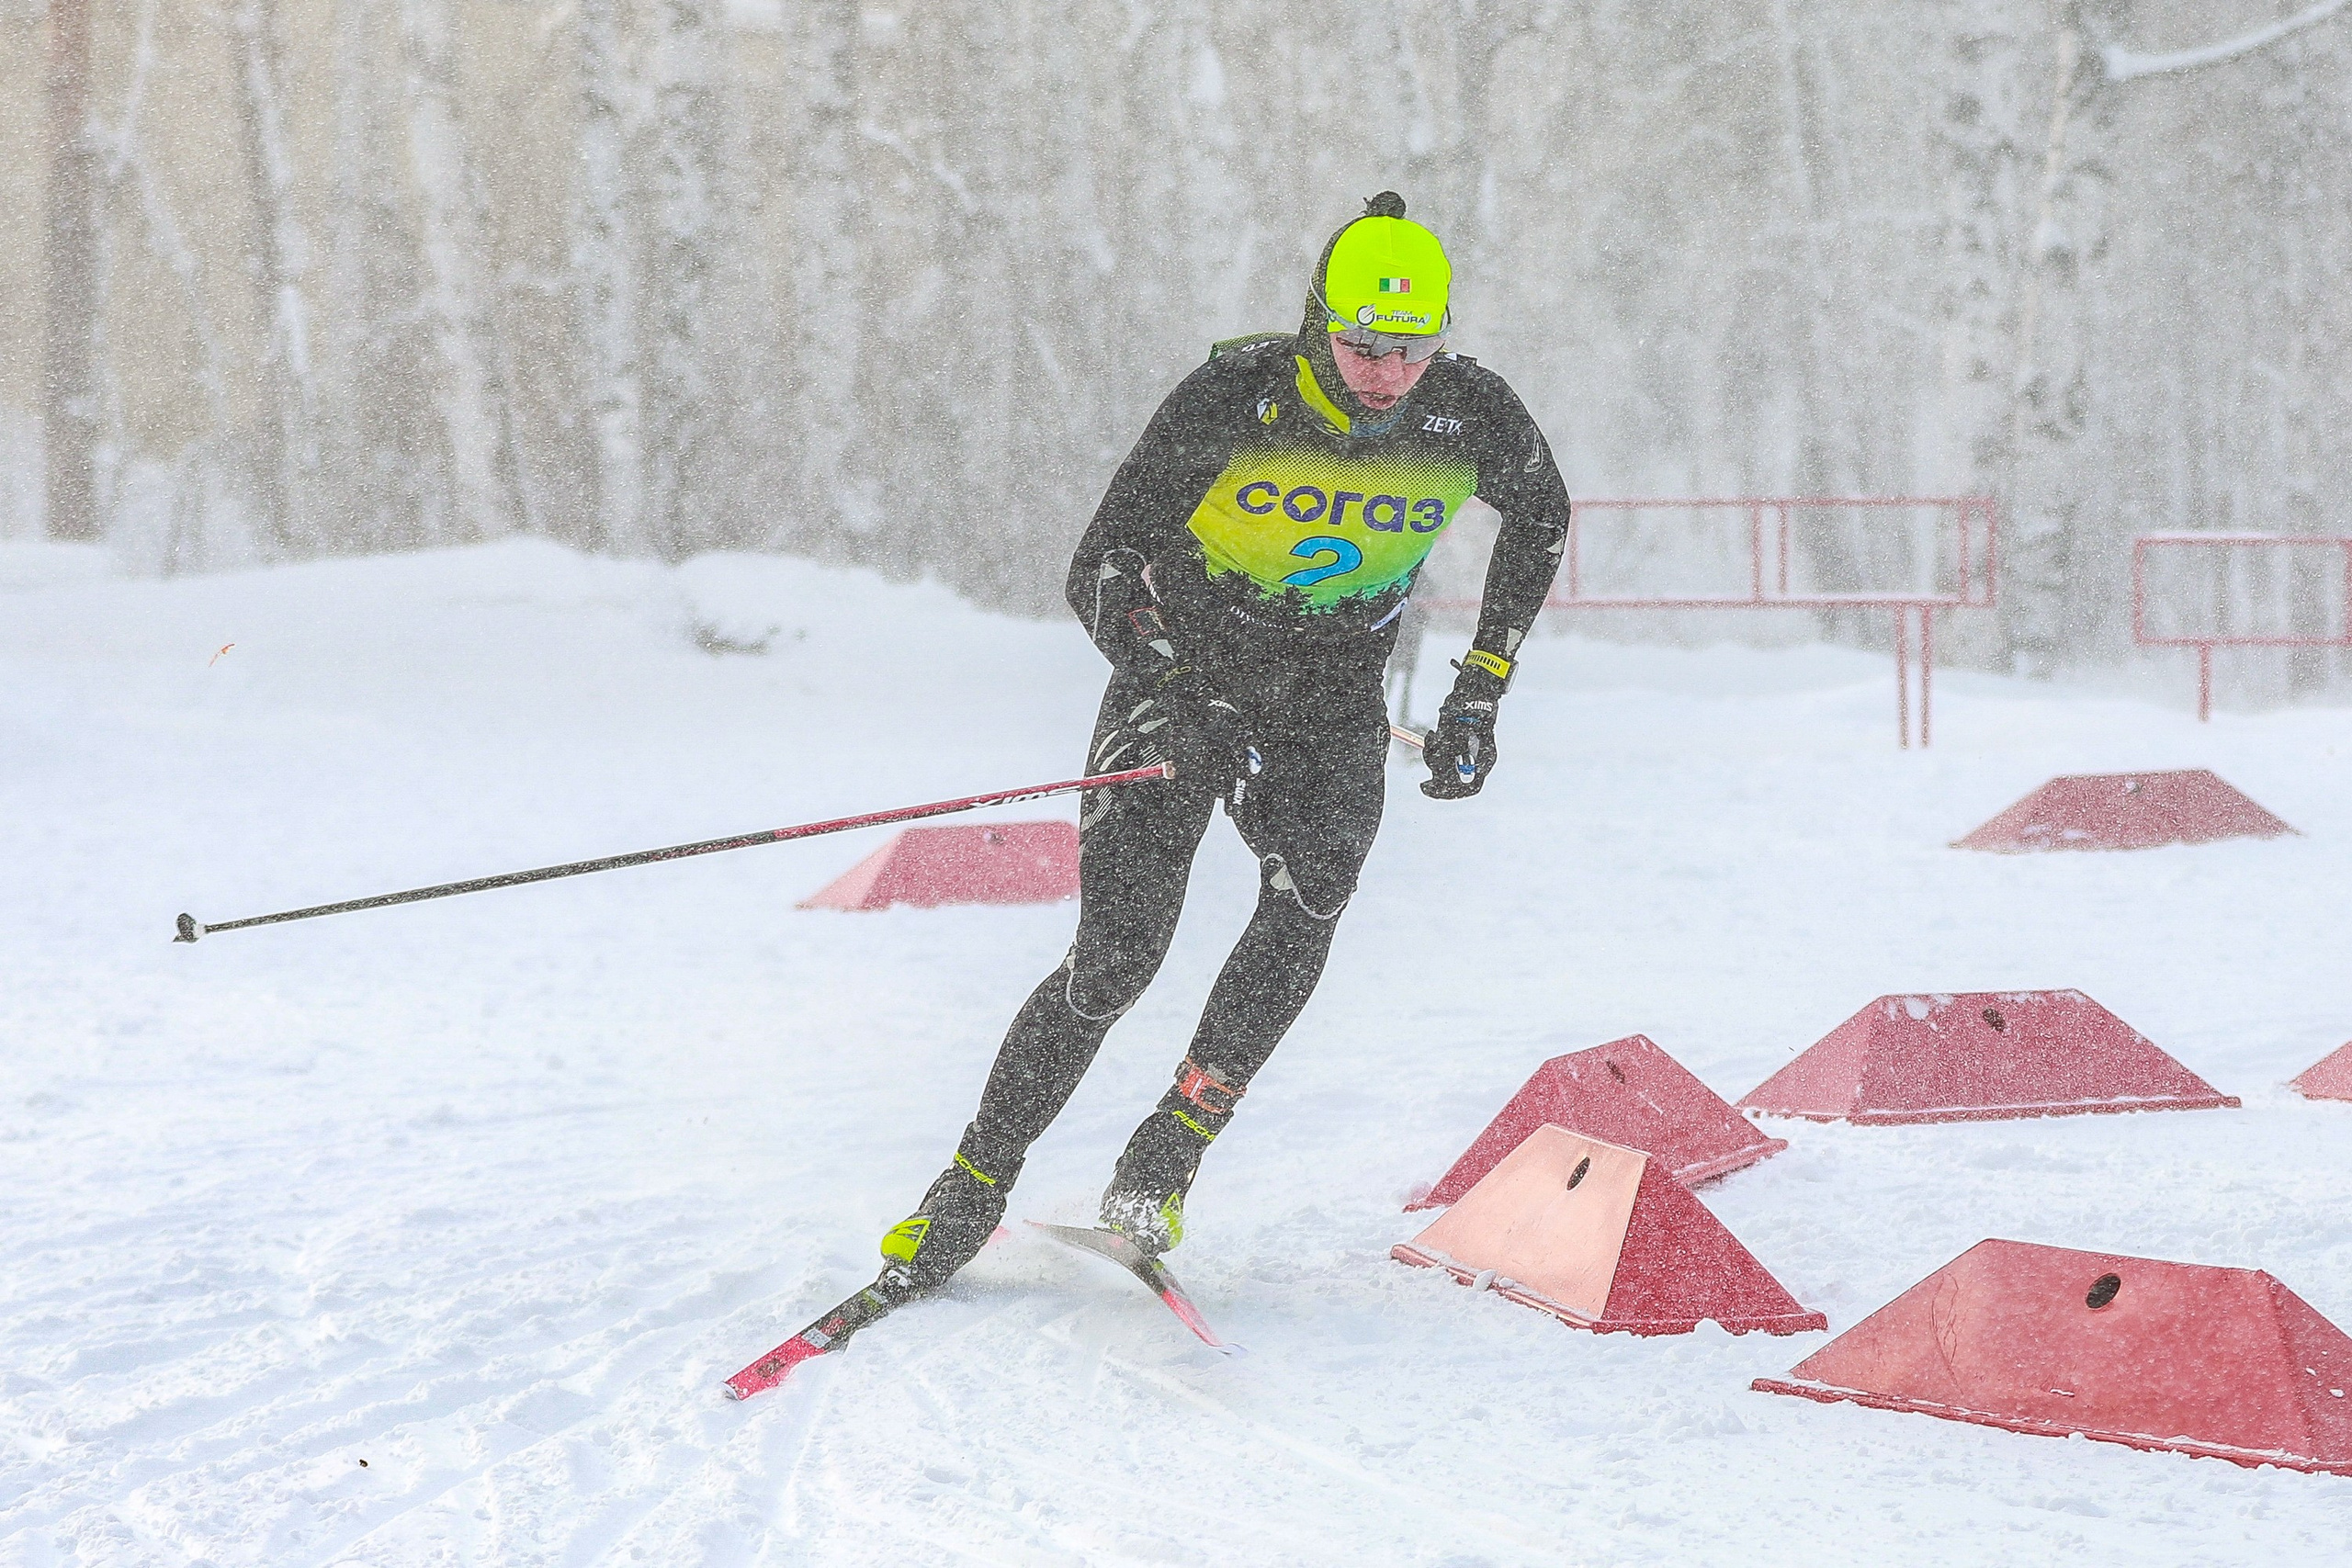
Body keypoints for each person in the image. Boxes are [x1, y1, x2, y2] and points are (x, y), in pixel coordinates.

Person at [878, 191, 1571, 1292]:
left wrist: (1482, 684)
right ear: (1315, 321)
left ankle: (1166, 1155)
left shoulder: (1470, 413)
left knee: (1310, 900)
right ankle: (972, 1180)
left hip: (1331, 696)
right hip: (1185, 682)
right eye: (1361, 346)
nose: (1387, 374)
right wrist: (1170, 692)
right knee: (1116, 962)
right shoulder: (1234, 395)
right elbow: (1101, 565)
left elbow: (1541, 516)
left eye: (1412, 349)